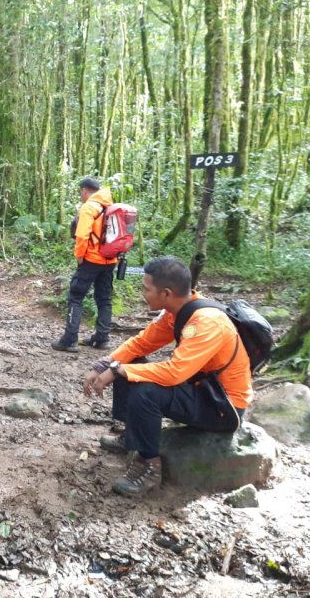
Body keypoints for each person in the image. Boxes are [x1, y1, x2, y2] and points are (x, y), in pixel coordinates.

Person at [82, 256, 253, 496]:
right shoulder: (177, 311)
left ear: (166, 293)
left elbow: (175, 373)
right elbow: (142, 343)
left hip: (223, 407)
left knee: (144, 391)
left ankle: (149, 467)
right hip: (201, 390)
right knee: (129, 363)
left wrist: (118, 370)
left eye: (146, 289)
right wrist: (105, 364)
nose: (142, 293)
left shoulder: (207, 323)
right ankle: (131, 438)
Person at [52, 176, 117, 352]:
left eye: (81, 192)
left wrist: (79, 256)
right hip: (110, 260)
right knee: (105, 299)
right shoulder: (110, 206)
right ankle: (102, 338)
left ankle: (70, 340)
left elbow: (82, 235)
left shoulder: (89, 207)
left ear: (84, 191)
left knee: (75, 296)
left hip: (91, 259)